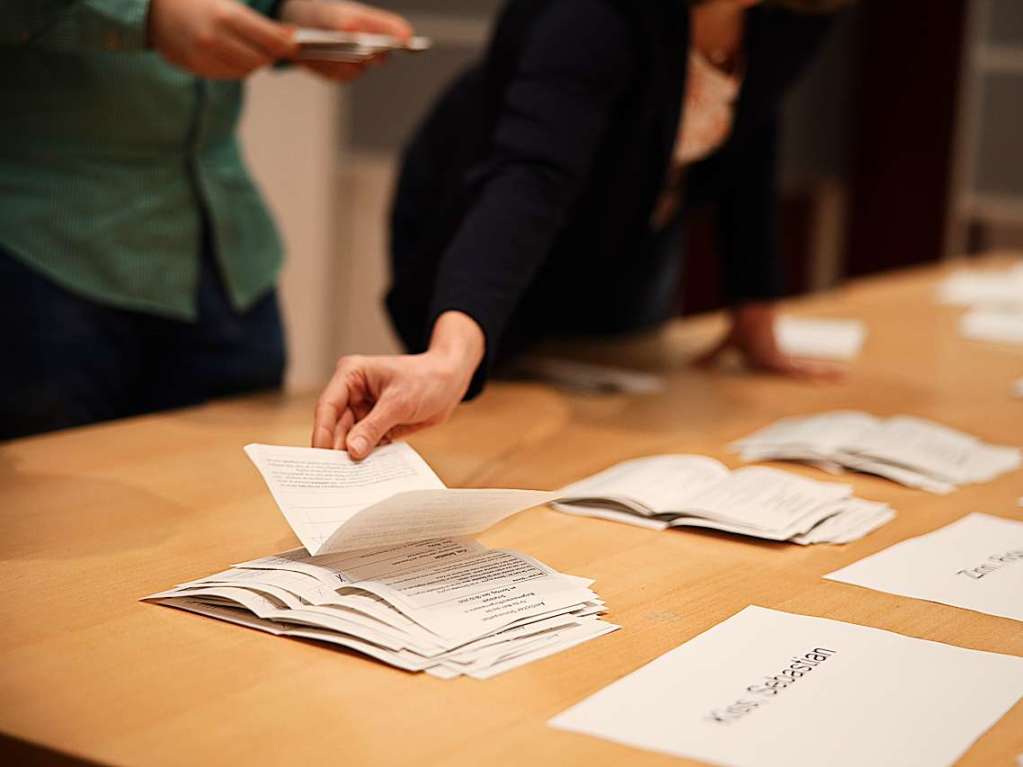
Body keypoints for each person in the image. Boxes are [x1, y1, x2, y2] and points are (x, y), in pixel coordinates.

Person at [311, 0, 850, 458]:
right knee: (491, 429)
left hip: (627, 234)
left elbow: (752, 133)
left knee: (609, 436)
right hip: (488, 224)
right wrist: (449, 359)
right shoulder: (592, 13)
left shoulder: (791, 16)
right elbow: (531, 180)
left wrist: (754, 312)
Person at [0, 0, 411, 440]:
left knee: (235, 493)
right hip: (47, 254)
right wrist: (145, 14)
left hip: (228, 251)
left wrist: (290, 13)